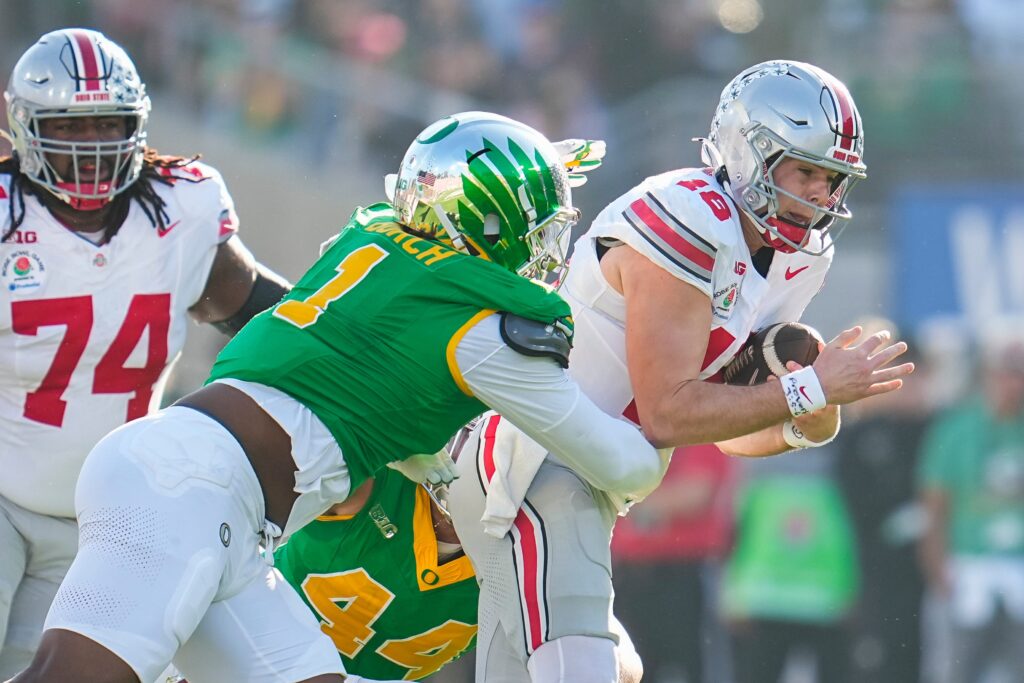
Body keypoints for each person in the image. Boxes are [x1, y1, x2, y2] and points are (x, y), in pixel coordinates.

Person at [10, 110, 670, 683]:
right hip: (193, 487)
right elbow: (625, 465)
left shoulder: (374, 249)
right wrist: (681, 399)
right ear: (492, 224)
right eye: (541, 225)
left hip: (212, 498)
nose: (549, 250)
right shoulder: (478, 333)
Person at [448, 59, 915, 683]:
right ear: (750, 152)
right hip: (534, 461)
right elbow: (669, 411)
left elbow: (721, 427)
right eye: (806, 171)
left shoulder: (800, 257)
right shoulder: (688, 215)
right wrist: (808, 387)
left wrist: (806, 414)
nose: (821, 196)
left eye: (832, 179)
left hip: (587, 476)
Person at [0, 28, 291, 678]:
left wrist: (345, 338)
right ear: (23, 124)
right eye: (70, 128)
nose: (92, 147)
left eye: (108, 125)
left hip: (108, 516)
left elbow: (257, 311)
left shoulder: (180, 210)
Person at [917, 336, 1024, 683]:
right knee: (956, 669)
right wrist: (937, 568)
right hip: (967, 566)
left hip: (1018, 566)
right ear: (990, 375)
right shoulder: (957, 428)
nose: (1015, 383)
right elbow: (933, 507)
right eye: (1009, 373)